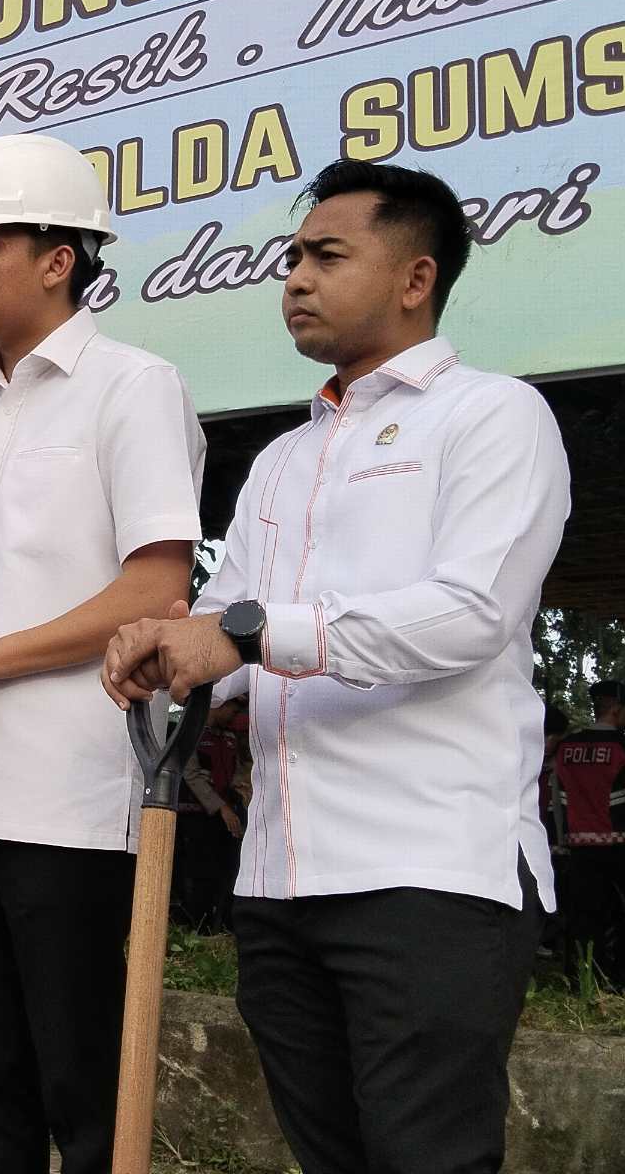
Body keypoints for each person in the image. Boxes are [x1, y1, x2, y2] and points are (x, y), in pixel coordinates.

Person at [104, 160, 571, 1174]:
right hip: (279, 878)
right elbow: (235, 647)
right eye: (290, 259)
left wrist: (247, 631)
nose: (295, 279)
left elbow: (469, 614)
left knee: (425, 1156)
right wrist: (173, 650)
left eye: (326, 255)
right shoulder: (280, 462)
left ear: (415, 278)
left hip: (431, 871)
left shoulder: (494, 416)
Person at [0, 134, 205, 1174]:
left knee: (84, 1091)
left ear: (60, 258)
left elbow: (156, 588)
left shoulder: (134, 385)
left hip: (68, 798)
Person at [551, 681, 625, 989]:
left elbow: (557, 799)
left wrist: (563, 841)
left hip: (580, 851)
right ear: (616, 710)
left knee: (585, 921)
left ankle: (584, 982)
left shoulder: (566, 749)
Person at [172, 691, 249, 933]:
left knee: (225, 868)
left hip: (225, 815)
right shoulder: (190, 732)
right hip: (195, 814)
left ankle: (222, 921)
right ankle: (197, 924)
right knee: (199, 870)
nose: (233, 717)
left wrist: (240, 787)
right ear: (219, 704)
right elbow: (190, 774)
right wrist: (221, 806)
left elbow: (238, 767)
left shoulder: (228, 736)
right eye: (232, 710)